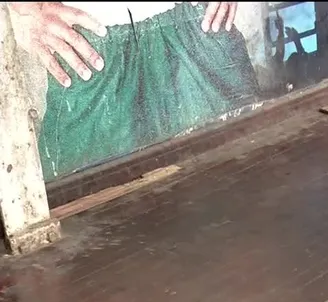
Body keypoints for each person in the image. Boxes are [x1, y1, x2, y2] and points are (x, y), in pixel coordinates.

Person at [8, 2, 260, 179]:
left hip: (194, 26)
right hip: (87, 41)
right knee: (93, 215)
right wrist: (21, 11)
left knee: (241, 177)